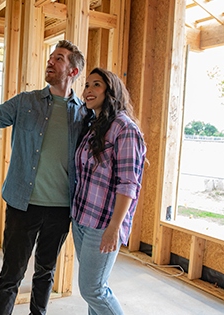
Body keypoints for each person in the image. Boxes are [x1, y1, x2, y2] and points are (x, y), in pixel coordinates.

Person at [0, 40, 86, 315]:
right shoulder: (26, 102)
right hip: (22, 204)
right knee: (11, 274)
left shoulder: (84, 113)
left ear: (73, 72)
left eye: (60, 59)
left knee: (45, 272)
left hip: (61, 208)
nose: (51, 62)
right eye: (51, 57)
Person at [71, 68, 147, 315]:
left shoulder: (125, 129)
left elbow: (129, 184)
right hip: (82, 219)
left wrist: (115, 227)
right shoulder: (94, 126)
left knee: (93, 290)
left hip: (103, 224)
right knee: (95, 290)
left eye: (96, 85)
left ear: (110, 91)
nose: (88, 90)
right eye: (87, 85)